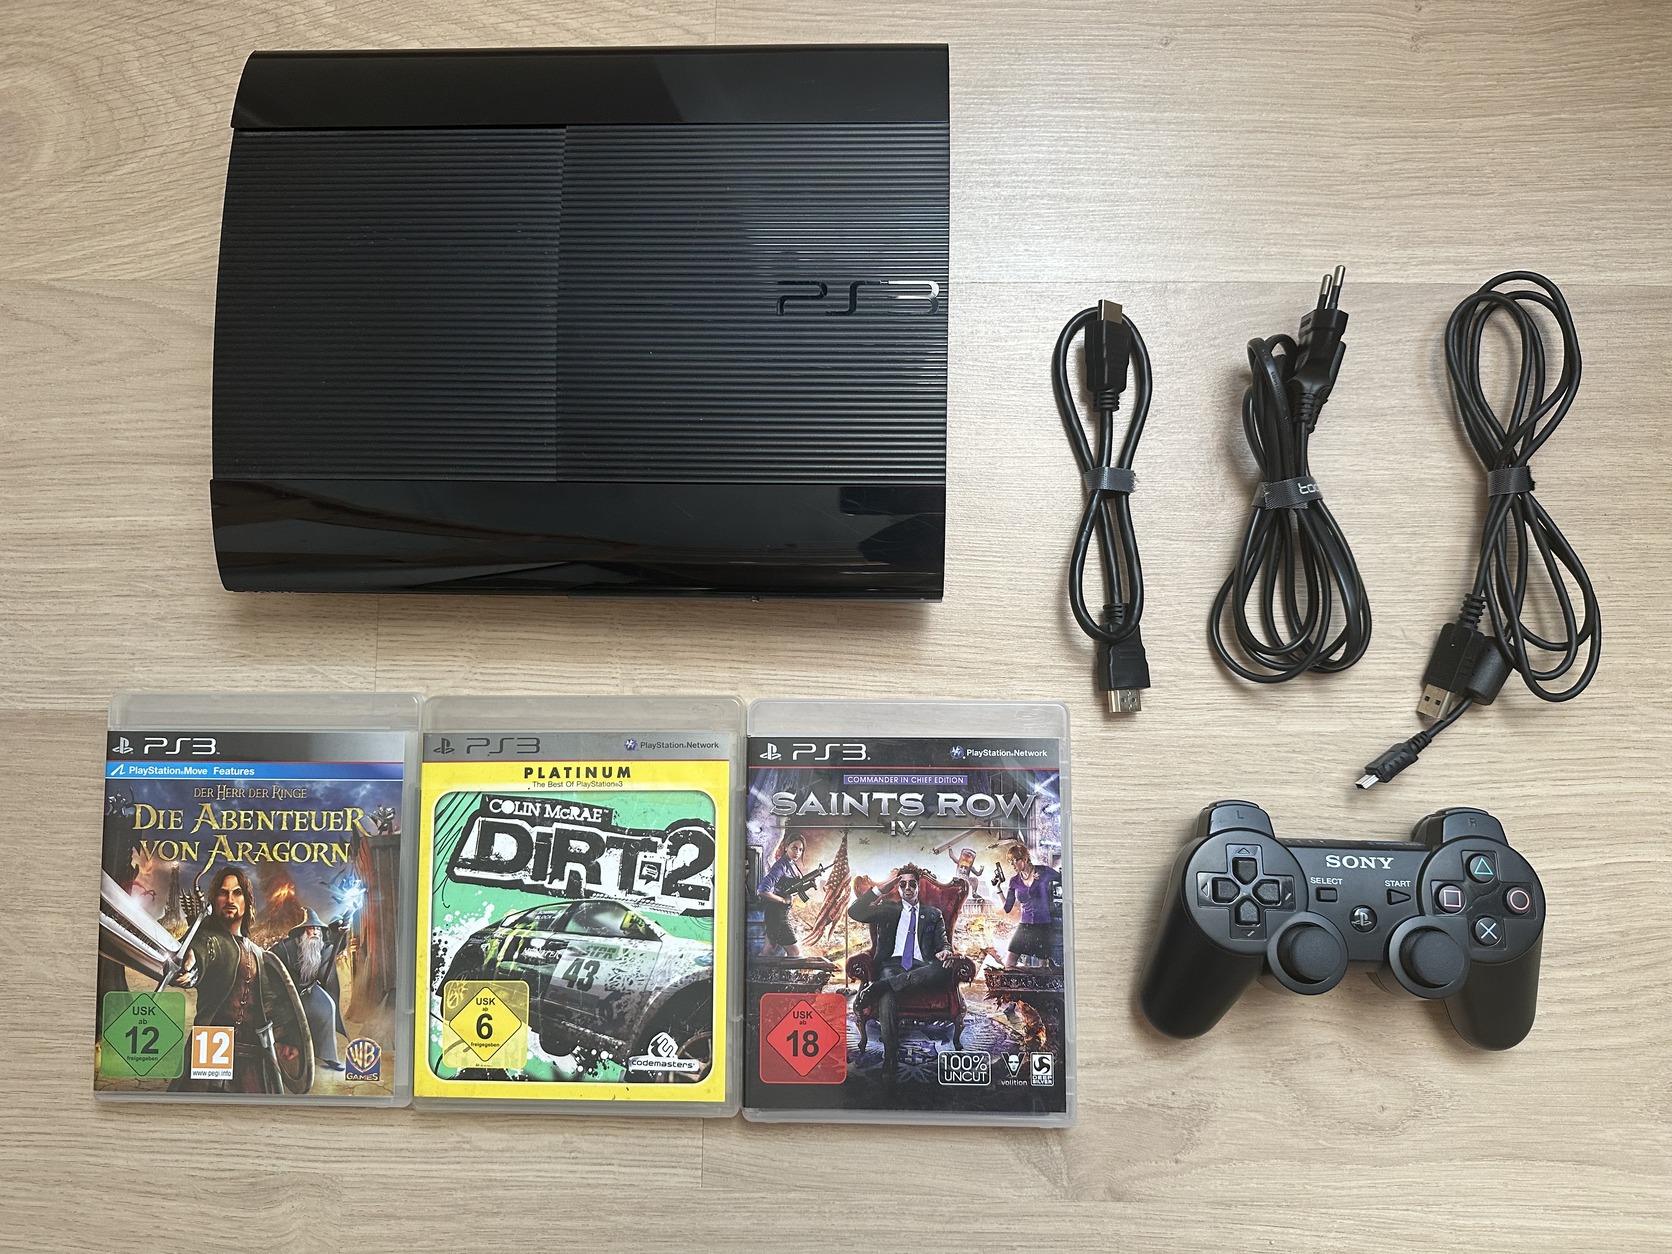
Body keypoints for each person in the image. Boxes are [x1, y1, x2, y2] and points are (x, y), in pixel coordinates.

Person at [171, 865, 313, 1094]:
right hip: (211, 1046)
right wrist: (191, 962)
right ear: (214, 900)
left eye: (237, 893)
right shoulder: (210, 939)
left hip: (252, 1057)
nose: (230, 899)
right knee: (202, 1106)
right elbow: (202, 950)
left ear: (247, 901)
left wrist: (288, 1039)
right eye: (223, 893)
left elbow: (270, 1003)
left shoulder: (257, 953)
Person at [847, 865, 956, 1077]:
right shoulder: (887, 908)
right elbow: (855, 912)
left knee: (943, 969)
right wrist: (881, 889)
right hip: (892, 965)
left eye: (912, 884)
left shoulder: (933, 914)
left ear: (918, 886)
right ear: (898, 887)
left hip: (924, 967)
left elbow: (944, 943)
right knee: (888, 990)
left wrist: (945, 951)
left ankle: (879, 986)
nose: (907, 888)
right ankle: (890, 1056)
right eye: (903, 884)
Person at [268, 908, 351, 1072]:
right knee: (292, 1021)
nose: (315, 932)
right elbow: (269, 962)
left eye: (317, 929)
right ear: (302, 931)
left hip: (309, 989)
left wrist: (340, 933)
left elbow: (335, 947)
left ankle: (328, 1055)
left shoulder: (320, 946)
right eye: (311, 928)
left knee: (327, 1006)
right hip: (287, 995)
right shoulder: (285, 948)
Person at [1001, 844, 1061, 968]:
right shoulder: (1014, 881)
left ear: (1024, 858)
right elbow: (1007, 908)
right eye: (1010, 862)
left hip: (1043, 926)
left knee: (1042, 967)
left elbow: (1064, 879)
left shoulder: (1044, 872)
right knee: (1009, 964)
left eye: (1014, 861)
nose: (1013, 865)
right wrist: (997, 888)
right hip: (1025, 926)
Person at [756, 835, 807, 958]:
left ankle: (758, 969)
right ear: (786, 847)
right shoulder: (780, 866)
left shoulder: (791, 864)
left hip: (779, 913)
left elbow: (790, 887)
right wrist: (783, 900)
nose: (797, 852)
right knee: (795, 953)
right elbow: (762, 890)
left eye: (800, 849)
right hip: (776, 914)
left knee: (768, 950)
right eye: (794, 848)